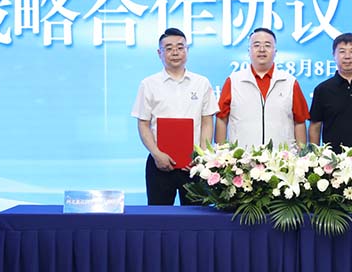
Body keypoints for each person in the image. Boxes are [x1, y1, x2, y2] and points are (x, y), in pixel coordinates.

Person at [131, 28, 219, 205]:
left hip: (194, 165)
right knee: (159, 217)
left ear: (187, 50)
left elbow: (207, 122)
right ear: (159, 53)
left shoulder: (201, 83)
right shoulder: (149, 84)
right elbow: (143, 123)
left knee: (198, 217)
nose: (175, 52)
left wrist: (201, 157)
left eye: (180, 47)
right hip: (159, 163)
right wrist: (156, 154)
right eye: (169, 48)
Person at [215, 27, 310, 148]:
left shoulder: (290, 82)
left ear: (275, 51)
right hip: (241, 157)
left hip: (282, 157)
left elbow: (300, 122)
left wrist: (301, 154)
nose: (262, 49)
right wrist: (221, 153)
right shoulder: (233, 81)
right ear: (249, 51)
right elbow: (221, 119)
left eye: (267, 45)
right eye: (256, 45)